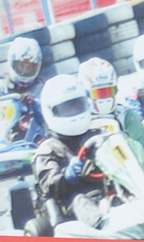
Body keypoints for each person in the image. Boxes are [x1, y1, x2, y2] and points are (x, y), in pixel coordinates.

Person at [31, 74, 109, 226]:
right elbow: (48, 186)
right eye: (67, 109)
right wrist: (66, 176)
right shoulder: (48, 149)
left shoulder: (97, 136)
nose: (74, 112)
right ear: (51, 112)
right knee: (80, 200)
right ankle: (103, 227)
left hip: (106, 192)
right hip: (73, 204)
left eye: (78, 106)